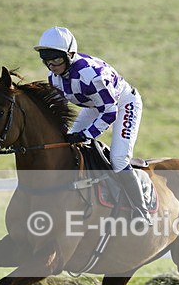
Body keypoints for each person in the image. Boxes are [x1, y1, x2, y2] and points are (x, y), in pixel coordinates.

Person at [34, 26, 151, 224]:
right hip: (95, 104)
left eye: (57, 59)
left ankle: (142, 210)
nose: (51, 65)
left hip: (123, 104)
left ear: (70, 55)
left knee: (119, 159)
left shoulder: (90, 75)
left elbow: (111, 111)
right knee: (66, 145)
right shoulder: (54, 78)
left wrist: (87, 134)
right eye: (46, 59)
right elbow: (62, 113)